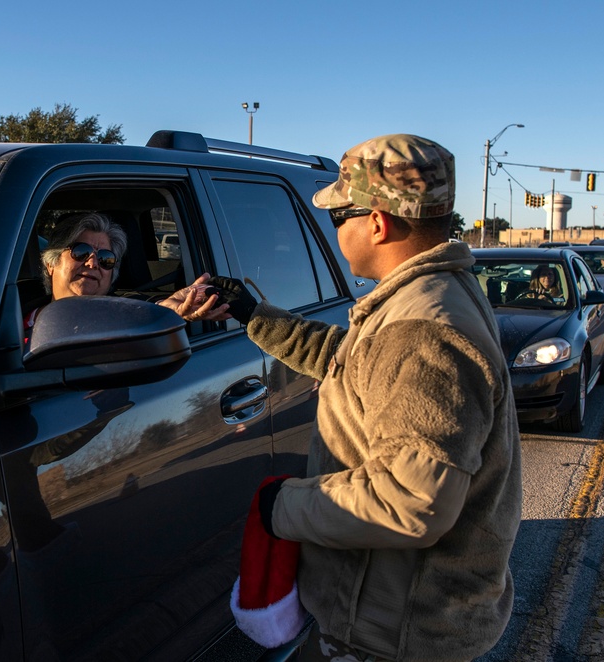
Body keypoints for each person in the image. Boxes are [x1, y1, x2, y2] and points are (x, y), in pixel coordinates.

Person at [210, 135, 522, 661]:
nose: (336, 233)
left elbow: (412, 501)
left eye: (338, 218)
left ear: (377, 222)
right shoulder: (430, 297)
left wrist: (281, 507)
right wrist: (251, 313)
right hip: (398, 614)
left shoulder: (423, 328)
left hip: (392, 632)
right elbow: (359, 365)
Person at [24, 212, 229, 335]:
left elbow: (139, 312)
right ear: (51, 263)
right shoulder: (10, 318)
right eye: (81, 252)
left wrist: (163, 313)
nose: (93, 263)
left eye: (106, 259)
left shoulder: (120, 322)